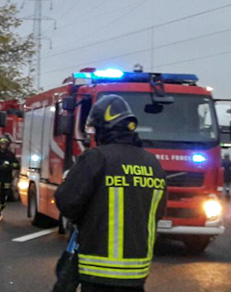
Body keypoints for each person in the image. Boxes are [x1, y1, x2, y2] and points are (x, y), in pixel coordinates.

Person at [55, 95, 167, 292]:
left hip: (98, 270)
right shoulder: (153, 163)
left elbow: (67, 202)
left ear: (103, 128)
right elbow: (158, 211)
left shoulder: (97, 157)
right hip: (137, 273)